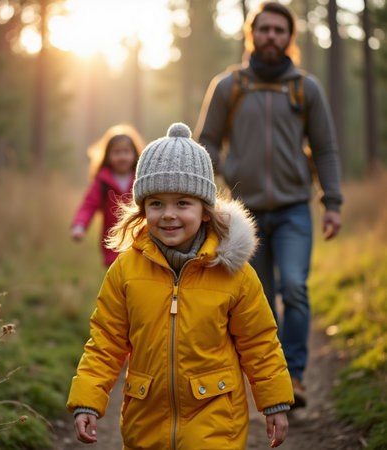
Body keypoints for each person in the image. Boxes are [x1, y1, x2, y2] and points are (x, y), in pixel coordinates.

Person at [67, 122, 294, 449]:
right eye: (156, 203)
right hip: (146, 421)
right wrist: (87, 399)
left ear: (205, 210)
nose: (168, 214)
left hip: (215, 416)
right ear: (143, 209)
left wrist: (274, 402)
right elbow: (105, 340)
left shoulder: (233, 272)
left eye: (182, 203)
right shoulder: (125, 270)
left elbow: (259, 341)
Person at [195, 1, 343, 408]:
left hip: (296, 207)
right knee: (255, 298)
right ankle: (266, 378)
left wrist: (332, 202)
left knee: (294, 288)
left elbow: (326, 149)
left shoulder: (305, 88)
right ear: (251, 35)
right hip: (245, 214)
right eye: (265, 30)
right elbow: (205, 140)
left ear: (289, 38)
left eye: (280, 30)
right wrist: (224, 168)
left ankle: (294, 376)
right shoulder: (228, 86)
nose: (272, 37)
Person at [71, 124, 144, 266]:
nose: (122, 157)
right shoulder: (103, 180)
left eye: (126, 152)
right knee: (116, 279)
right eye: (116, 152)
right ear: (108, 156)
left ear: (135, 154)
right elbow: (89, 204)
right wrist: (79, 225)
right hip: (113, 242)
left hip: (140, 240)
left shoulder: (141, 178)